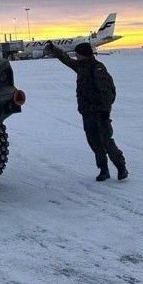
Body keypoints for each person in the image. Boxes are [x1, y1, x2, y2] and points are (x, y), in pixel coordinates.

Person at [45, 41, 128, 181]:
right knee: (94, 142)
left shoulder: (97, 68)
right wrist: (54, 49)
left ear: (83, 54)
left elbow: (107, 92)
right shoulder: (82, 66)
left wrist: (105, 111)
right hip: (87, 113)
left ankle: (121, 168)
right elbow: (66, 60)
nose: (75, 56)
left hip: (100, 113)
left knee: (106, 141)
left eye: (77, 54)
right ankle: (104, 170)